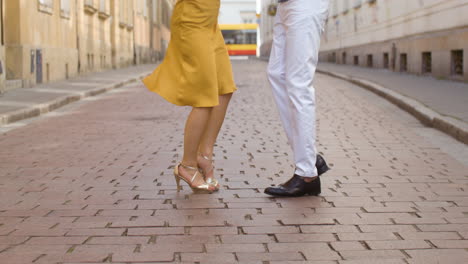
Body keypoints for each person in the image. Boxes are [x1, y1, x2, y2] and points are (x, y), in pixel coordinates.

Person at [143, 0, 236, 194]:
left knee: (224, 89)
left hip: (210, 21)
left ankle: (204, 155)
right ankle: (187, 164)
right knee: (204, 96)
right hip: (192, 21)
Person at [264, 0, 331, 197]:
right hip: (284, 6)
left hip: (305, 4)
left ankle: (306, 175)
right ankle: (309, 158)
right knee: (277, 74)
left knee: (299, 83)